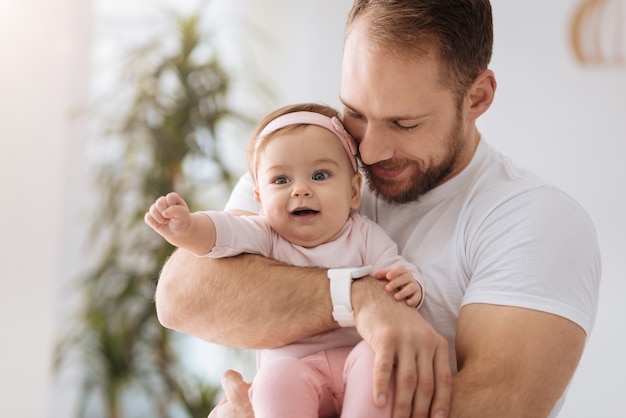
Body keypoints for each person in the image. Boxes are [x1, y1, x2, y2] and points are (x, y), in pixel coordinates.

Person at [155, 1, 601, 417]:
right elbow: (181, 299)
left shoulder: (535, 221)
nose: (368, 150)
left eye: (404, 123)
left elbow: (490, 406)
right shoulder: (310, 166)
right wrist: (358, 297)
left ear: (478, 97)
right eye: (356, 113)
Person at [146, 103, 424, 417]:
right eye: (281, 181)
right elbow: (220, 235)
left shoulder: (364, 235)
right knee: (272, 381)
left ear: (354, 191)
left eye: (320, 175)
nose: (301, 190)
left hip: (354, 362)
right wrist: (186, 228)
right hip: (294, 369)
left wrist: (408, 281)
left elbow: (394, 269)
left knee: (378, 360)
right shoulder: (264, 234)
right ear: (259, 199)